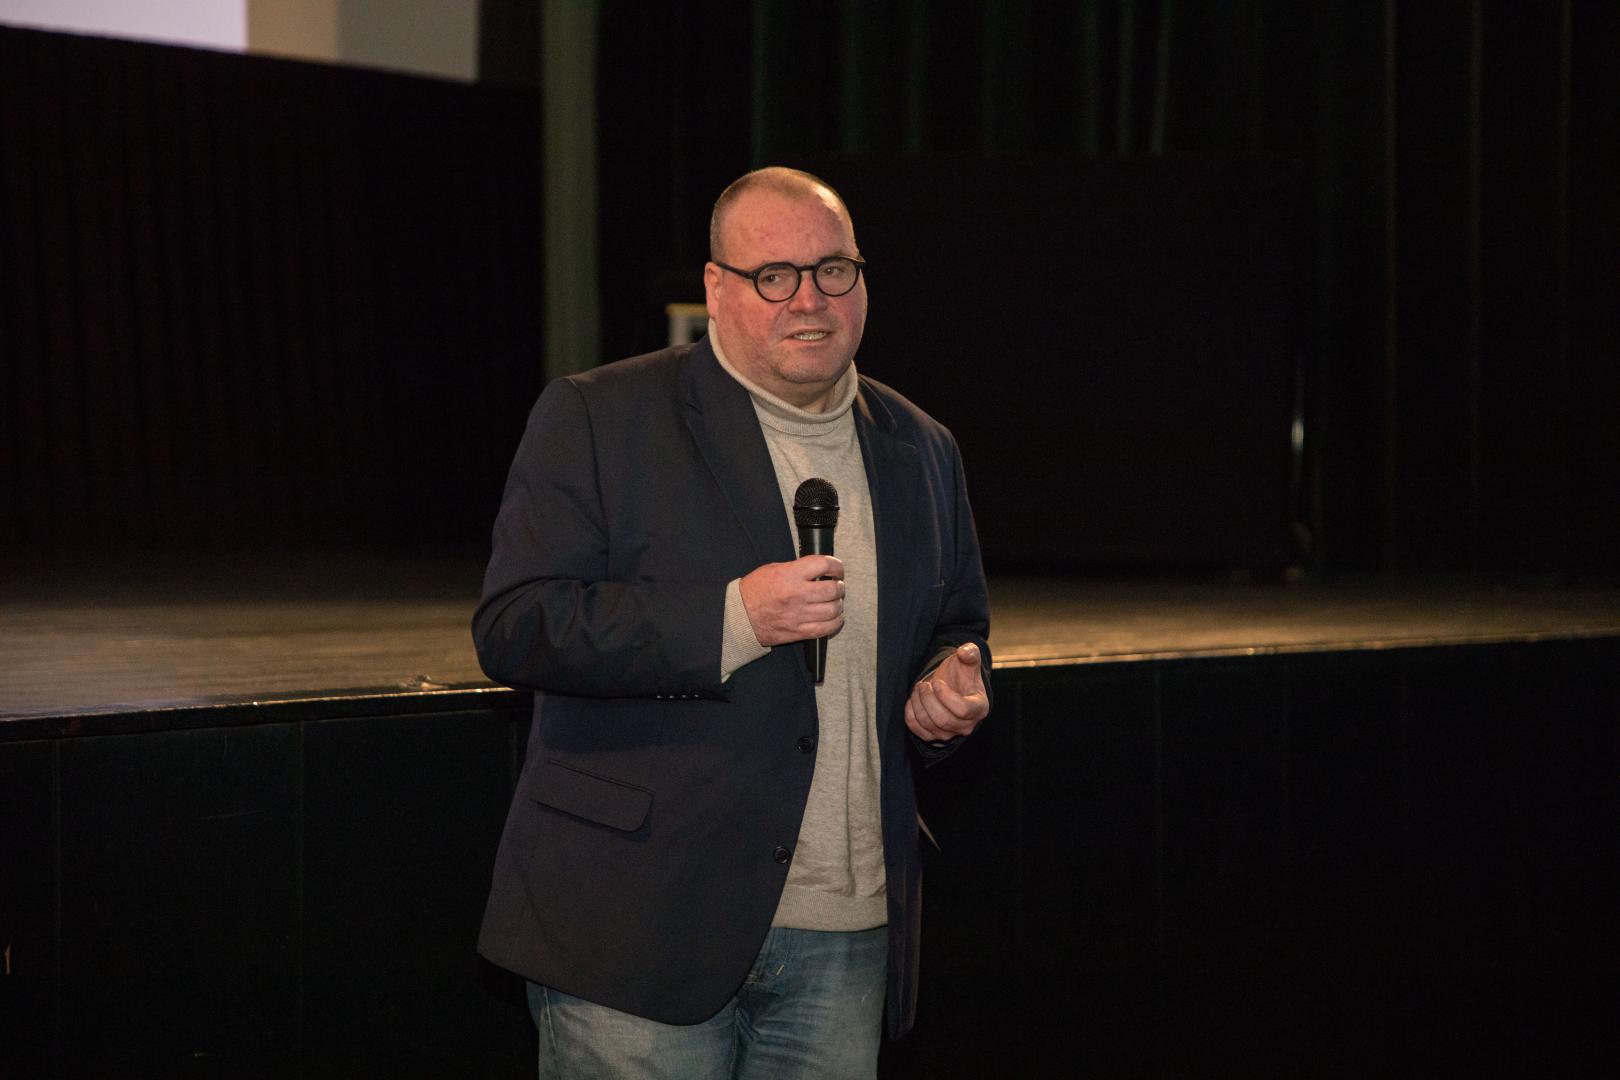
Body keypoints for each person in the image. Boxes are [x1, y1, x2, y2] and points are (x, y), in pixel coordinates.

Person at [473, 166, 990, 1079]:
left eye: (834, 270)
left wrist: (946, 688)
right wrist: (733, 618)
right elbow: (518, 624)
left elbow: (956, 624)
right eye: (774, 276)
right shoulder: (602, 416)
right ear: (715, 288)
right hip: (638, 923)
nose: (810, 299)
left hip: (845, 931)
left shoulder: (921, 447)